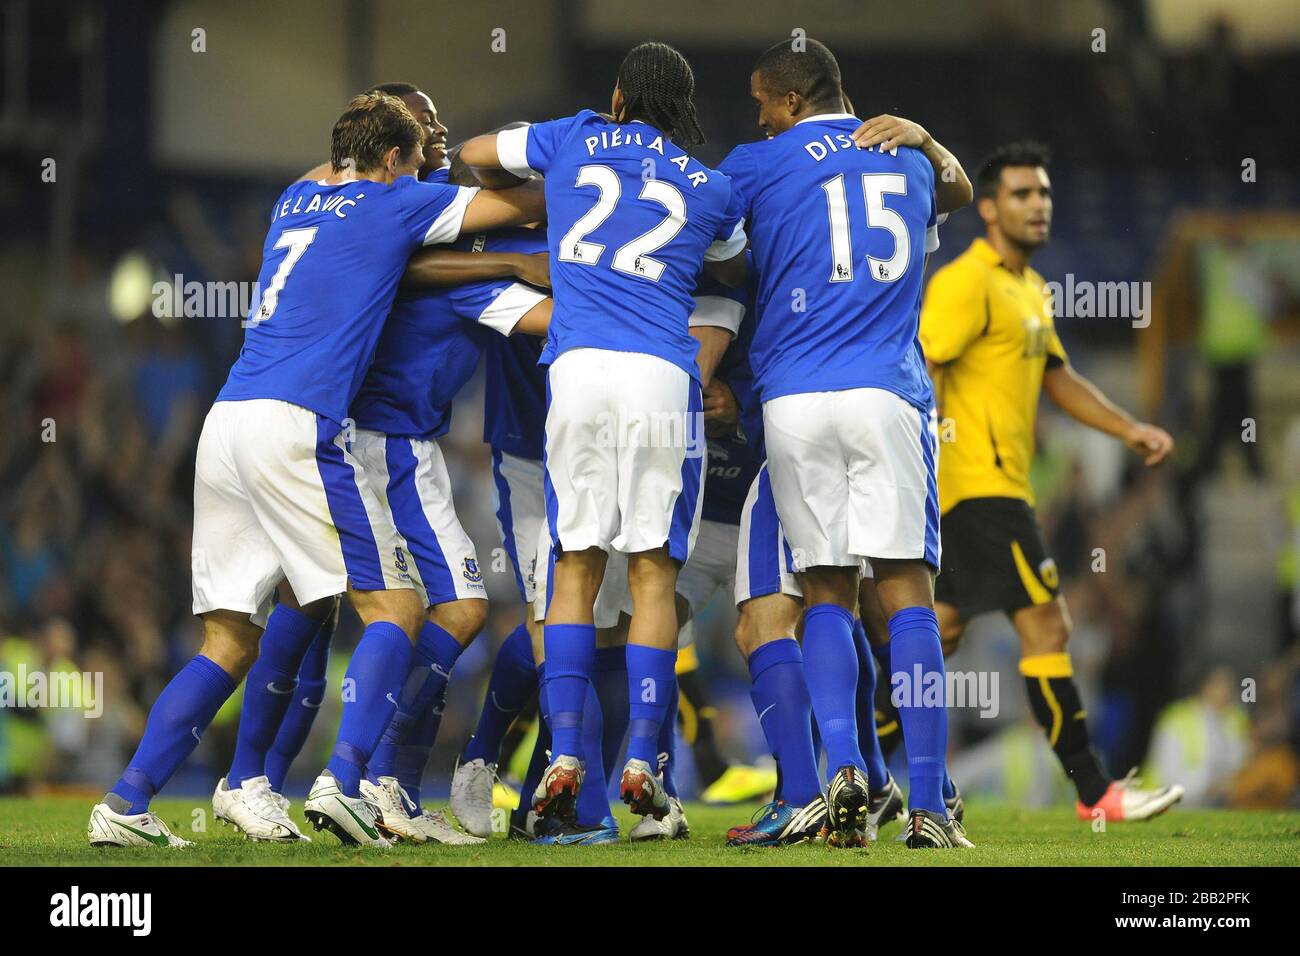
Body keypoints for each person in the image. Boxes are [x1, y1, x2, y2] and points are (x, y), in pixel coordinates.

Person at [88, 92, 545, 848]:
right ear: (394, 162)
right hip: (298, 424)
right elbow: (520, 203)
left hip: (226, 419)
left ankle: (127, 802)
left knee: (229, 641)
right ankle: (348, 781)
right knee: (398, 608)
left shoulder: (297, 195)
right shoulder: (394, 205)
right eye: (411, 149)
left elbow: (347, 171)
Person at [459, 40, 747, 829]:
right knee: (655, 575)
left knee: (574, 569)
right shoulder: (712, 186)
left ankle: (563, 756)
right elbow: (730, 264)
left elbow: (474, 153)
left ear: (619, 96)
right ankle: (644, 758)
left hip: (578, 369)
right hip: (661, 373)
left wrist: (530, 199)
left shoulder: (573, 135)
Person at [718, 37, 974, 847]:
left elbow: (711, 236)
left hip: (793, 400)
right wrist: (928, 138)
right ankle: (929, 807)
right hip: (886, 396)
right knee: (906, 598)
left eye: (765, 100)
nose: (759, 114)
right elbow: (961, 190)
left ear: (792, 100)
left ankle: (844, 773)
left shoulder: (757, 163)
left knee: (825, 591)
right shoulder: (906, 160)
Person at [920, 140, 1183, 823]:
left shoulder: (1030, 291)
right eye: (1021, 194)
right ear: (987, 208)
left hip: (991, 491)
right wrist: (928, 455)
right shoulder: (965, 282)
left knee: (931, 631)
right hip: (978, 488)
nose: (1038, 206)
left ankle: (844, 767)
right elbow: (921, 363)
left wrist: (1129, 430)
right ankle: (1095, 794)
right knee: (1047, 624)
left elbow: (1058, 378)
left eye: (1044, 194)